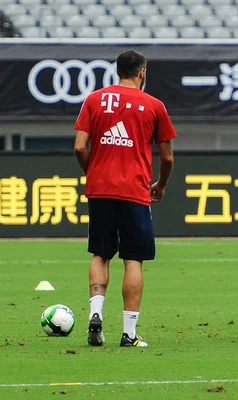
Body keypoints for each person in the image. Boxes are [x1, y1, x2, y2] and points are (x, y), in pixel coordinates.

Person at [74, 49, 176, 347]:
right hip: (134, 191)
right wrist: (161, 184)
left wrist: (93, 171)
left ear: (117, 70)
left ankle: (96, 313)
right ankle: (129, 333)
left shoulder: (95, 99)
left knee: (101, 253)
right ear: (142, 72)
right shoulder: (153, 104)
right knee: (133, 259)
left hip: (100, 189)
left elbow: (80, 146)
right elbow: (167, 156)